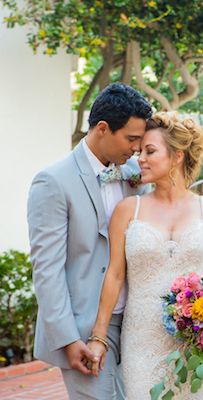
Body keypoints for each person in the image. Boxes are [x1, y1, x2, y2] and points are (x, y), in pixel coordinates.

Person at [87, 112, 203, 398]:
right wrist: (98, 337)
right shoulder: (129, 210)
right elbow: (115, 275)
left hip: (194, 342)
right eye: (139, 151)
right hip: (142, 341)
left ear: (177, 156)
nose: (139, 158)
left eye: (149, 151)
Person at [27, 82, 153, 399]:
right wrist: (67, 339)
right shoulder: (53, 182)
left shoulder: (138, 171)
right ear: (102, 129)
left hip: (139, 321)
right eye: (132, 139)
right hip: (85, 327)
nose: (137, 148)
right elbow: (47, 270)